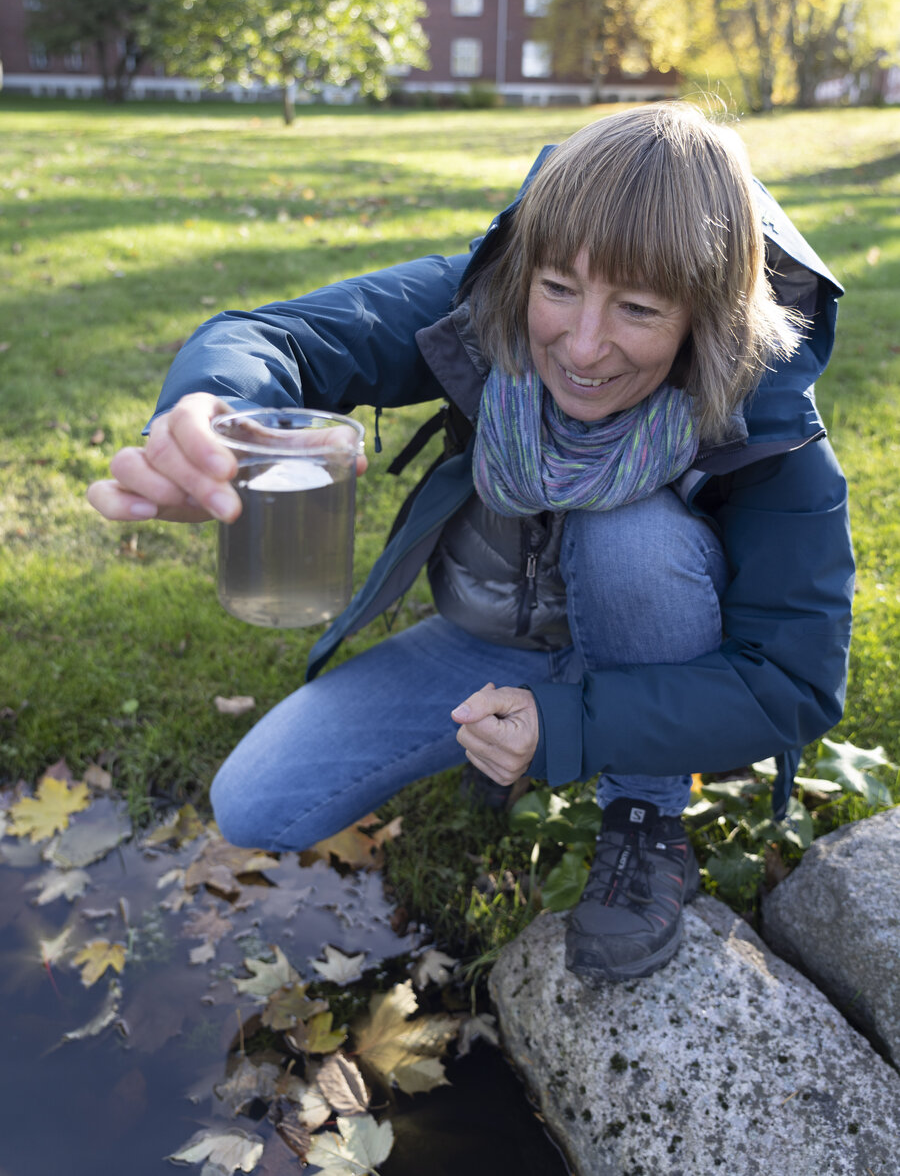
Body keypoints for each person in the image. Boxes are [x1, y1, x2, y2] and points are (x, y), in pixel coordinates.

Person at [87, 102, 854, 985]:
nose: (584, 342)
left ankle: (644, 819)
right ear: (528, 265)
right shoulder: (483, 304)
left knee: (628, 534)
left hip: (661, 664)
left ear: (708, 315)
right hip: (483, 643)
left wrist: (570, 723)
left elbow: (794, 681)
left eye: (638, 308)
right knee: (256, 801)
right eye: (559, 288)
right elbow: (274, 336)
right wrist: (214, 413)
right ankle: (509, 743)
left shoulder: (770, 420)